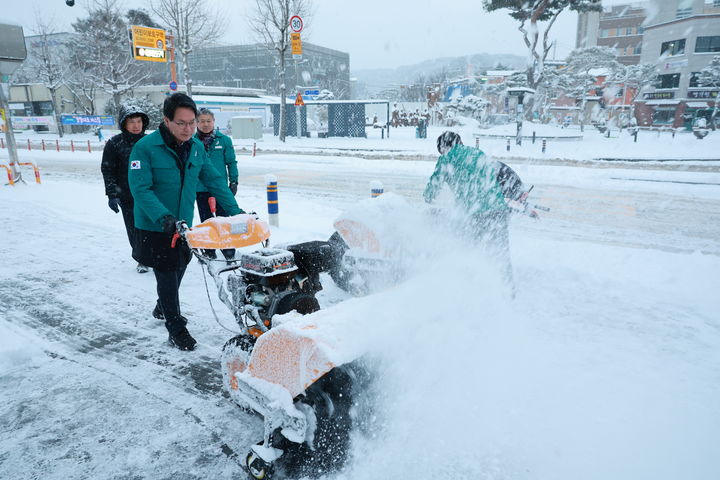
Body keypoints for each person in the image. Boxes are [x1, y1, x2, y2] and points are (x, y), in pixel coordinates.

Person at [128, 93, 244, 351]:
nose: (188, 128)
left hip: (182, 223)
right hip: (154, 225)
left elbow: (214, 180)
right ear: (167, 120)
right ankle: (175, 327)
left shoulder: (196, 147)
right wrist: (163, 217)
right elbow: (141, 189)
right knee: (168, 273)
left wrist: (236, 212)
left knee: (180, 265)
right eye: (181, 123)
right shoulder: (145, 148)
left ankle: (162, 306)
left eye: (192, 122)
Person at [423, 131, 525, 294]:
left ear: (444, 148)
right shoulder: (479, 154)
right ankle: (507, 291)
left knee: (469, 251)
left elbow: (431, 191)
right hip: (498, 211)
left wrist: (429, 196)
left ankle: (474, 291)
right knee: (500, 253)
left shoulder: (447, 159)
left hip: (474, 214)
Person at [101, 104, 150, 273]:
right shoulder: (115, 143)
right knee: (134, 227)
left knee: (152, 226)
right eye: (131, 122)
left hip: (150, 194)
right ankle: (141, 259)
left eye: (138, 121)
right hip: (127, 195)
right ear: (124, 124)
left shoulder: (150, 142)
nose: (136, 125)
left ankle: (154, 255)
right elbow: (108, 170)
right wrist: (112, 194)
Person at [195, 108, 238, 261]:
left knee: (224, 220)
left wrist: (234, 181)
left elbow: (231, 162)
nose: (205, 124)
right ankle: (209, 250)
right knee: (206, 221)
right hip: (200, 188)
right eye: (202, 121)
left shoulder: (224, 140)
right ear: (196, 123)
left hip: (221, 188)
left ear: (213, 122)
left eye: (208, 121)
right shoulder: (192, 141)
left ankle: (227, 249)